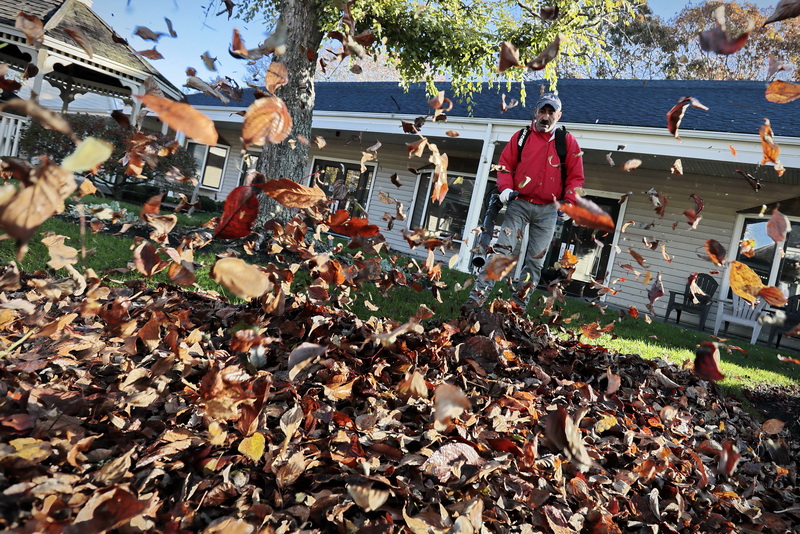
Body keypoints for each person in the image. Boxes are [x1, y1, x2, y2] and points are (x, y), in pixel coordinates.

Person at [466, 92, 585, 310]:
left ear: (559, 115)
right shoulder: (521, 137)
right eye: (543, 111)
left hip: (548, 211)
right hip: (519, 204)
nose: (546, 117)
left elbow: (576, 177)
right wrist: (505, 188)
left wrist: (569, 201)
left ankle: (518, 306)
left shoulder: (567, 142)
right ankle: (476, 299)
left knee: (535, 261)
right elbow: (505, 166)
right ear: (535, 112)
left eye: (551, 112)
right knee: (502, 251)